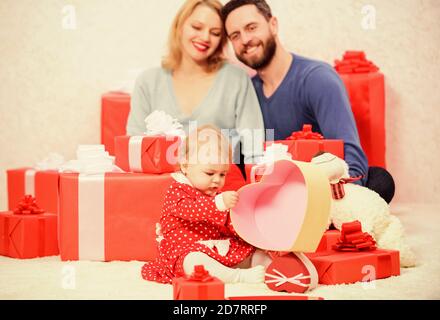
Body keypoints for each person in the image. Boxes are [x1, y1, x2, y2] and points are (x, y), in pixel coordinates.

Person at [221, 0, 395, 203]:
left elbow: (350, 152)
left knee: (380, 182)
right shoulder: (247, 91)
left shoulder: (317, 78)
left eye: (251, 27)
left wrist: (343, 199)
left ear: (273, 24)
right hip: (276, 189)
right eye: (235, 35)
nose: (245, 39)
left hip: (321, 186)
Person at [126, 0, 265, 188]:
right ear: (180, 26)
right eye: (197, 27)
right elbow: (134, 147)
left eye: (215, 33)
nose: (205, 37)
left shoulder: (236, 79)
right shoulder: (148, 82)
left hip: (220, 193)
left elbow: (253, 146)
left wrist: (256, 189)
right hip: (161, 192)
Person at [141, 125, 265, 284]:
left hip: (215, 248)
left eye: (222, 174)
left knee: (251, 251)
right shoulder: (177, 191)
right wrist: (219, 203)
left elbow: (229, 223)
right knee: (194, 262)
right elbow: (191, 210)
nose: (217, 180)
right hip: (184, 251)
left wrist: (246, 230)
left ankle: (271, 269)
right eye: (210, 173)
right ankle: (238, 277)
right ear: (185, 166)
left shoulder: (217, 197)